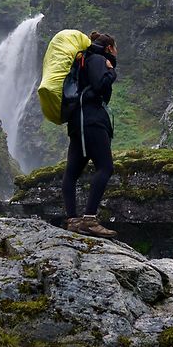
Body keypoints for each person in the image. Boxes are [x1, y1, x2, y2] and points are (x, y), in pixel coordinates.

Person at [63, 31, 118, 238]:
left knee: (72, 172)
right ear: (109, 48)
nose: (116, 52)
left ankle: (73, 220)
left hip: (79, 120)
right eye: (115, 48)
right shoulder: (98, 59)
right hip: (91, 120)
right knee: (105, 167)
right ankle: (89, 220)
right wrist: (111, 72)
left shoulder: (86, 58)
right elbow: (100, 84)